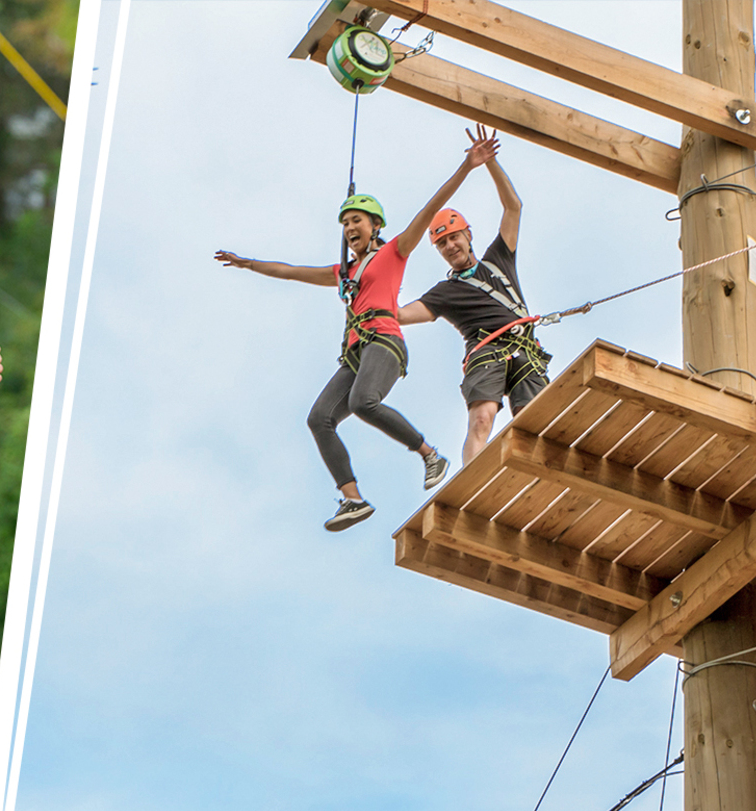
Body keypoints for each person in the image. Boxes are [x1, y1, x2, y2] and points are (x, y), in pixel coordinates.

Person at [214, 132, 499, 531]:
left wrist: (467, 167)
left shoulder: (393, 252)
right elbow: (292, 272)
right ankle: (353, 500)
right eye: (346, 223)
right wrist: (248, 264)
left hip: (384, 340)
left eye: (357, 221)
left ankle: (430, 454)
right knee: (319, 418)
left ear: (375, 225)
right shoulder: (344, 273)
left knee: (365, 402)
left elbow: (430, 206)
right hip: (355, 352)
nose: (350, 227)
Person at [398, 126, 550, 463]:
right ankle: (472, 480)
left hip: (524, 347)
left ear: (468, 235)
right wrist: (369, 293)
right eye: (442, 243)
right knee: (482, 418)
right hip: (487, 352)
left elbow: (513, 207)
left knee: (534, 420)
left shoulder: (498, 260)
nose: (450, 246)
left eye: (454, 237)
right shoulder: (445, 293)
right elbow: (401, 315)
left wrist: (490, 163)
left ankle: (536, 476)